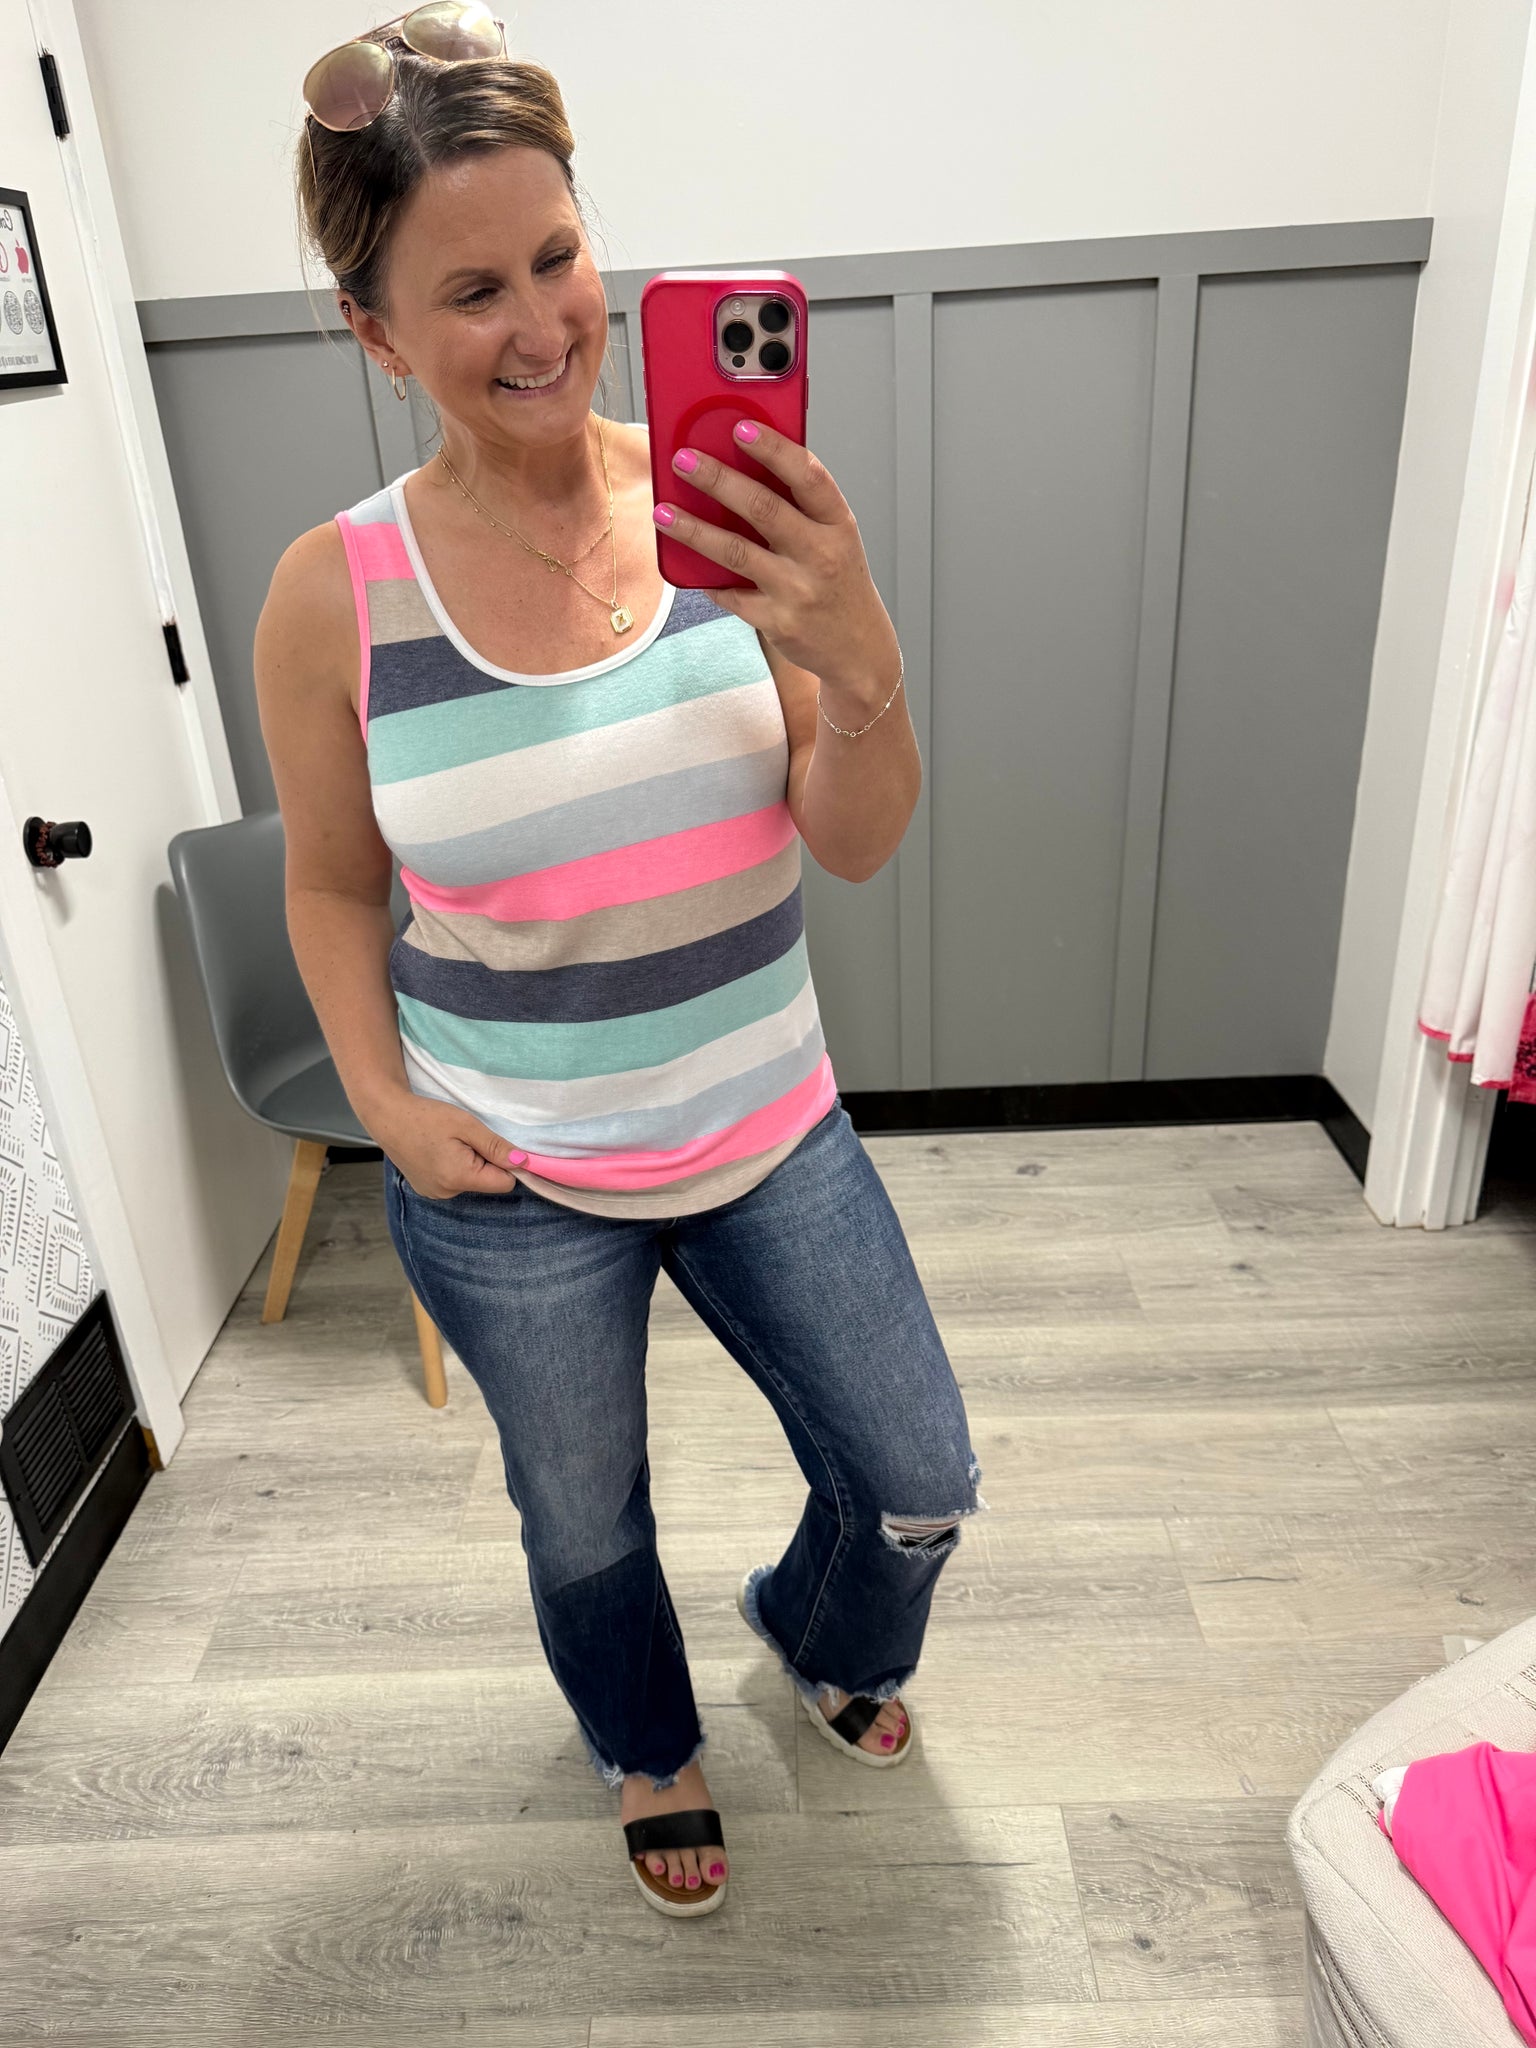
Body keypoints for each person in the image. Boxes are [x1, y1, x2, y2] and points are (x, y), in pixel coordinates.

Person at [255, 8, 985, 1918]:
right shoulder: (335, 595)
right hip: (511, 1177)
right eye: (470, 290)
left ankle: (817, 1628)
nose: (543, 324)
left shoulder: (725, 519)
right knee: (582, 1522)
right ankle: (649, 1744)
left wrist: (861, 651)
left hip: (769, 1128)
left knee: (920, 1477)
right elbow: (330, 888)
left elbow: (855, 837)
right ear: (375, 333)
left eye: (560, 256)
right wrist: (387, 1104)